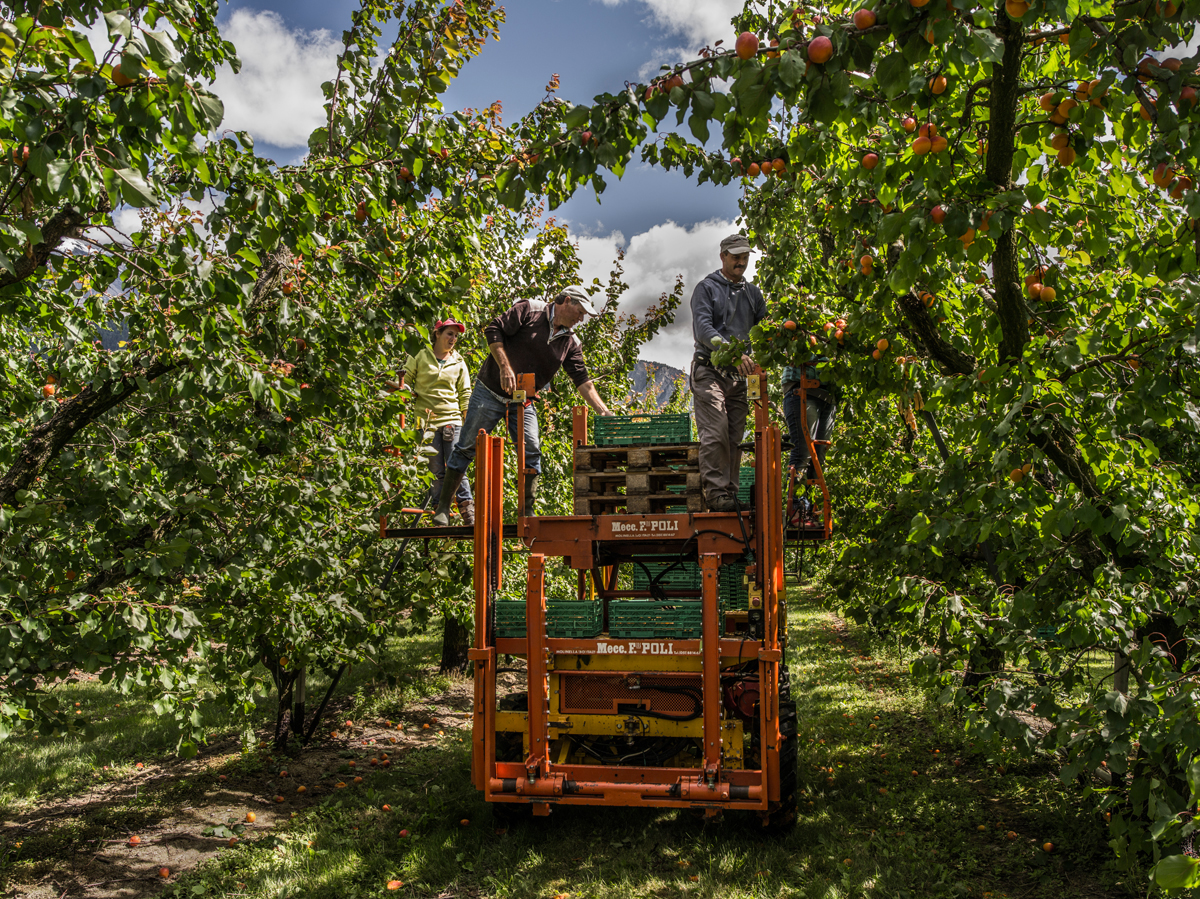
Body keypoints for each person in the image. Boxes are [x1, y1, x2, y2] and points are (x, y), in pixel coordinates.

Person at [430, 285, 613, 526]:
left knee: (532, 450)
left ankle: (527, 514)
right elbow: (493, 329)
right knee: (465, 447)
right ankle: (443, 507)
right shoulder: (530, 310)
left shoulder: (571, 341)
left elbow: (582, 381)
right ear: (566, 301)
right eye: (580, 312)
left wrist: (604, 412)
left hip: (523, 400)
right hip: (490, 391)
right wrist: (505, 367)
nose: (581, 319)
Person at [690, 233, 768, 512]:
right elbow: (704, 331)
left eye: (745, 256)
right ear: (722, 256)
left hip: (740, 378)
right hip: (709, 370)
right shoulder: (706, 288)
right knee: (717, 430)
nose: (741, 261)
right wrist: (733, 354)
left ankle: (729, 494)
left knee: (735, 435)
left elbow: (766, 329)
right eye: (735, 256)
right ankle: (715, 493)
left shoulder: (753, 293)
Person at [394, 318, 474, 523]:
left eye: (456, 336)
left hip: (452, 419)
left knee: (457, 467)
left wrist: (468, 425)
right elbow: (406, 381)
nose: (453, 339)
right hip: (426, 422)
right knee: (436, 470)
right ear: (437, 334)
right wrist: (396, 387)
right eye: (449, 334)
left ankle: (467, 509)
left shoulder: (458, 361)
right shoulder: (421, 356)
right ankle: (441, 511)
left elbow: (465, 393)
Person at [782, 355, 838, 525]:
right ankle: (795, 508)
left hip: (829, 394)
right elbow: (788, 349)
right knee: (804, 452)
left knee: (818, 457)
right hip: (801, 388)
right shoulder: (803, 330)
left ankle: (808, 506)